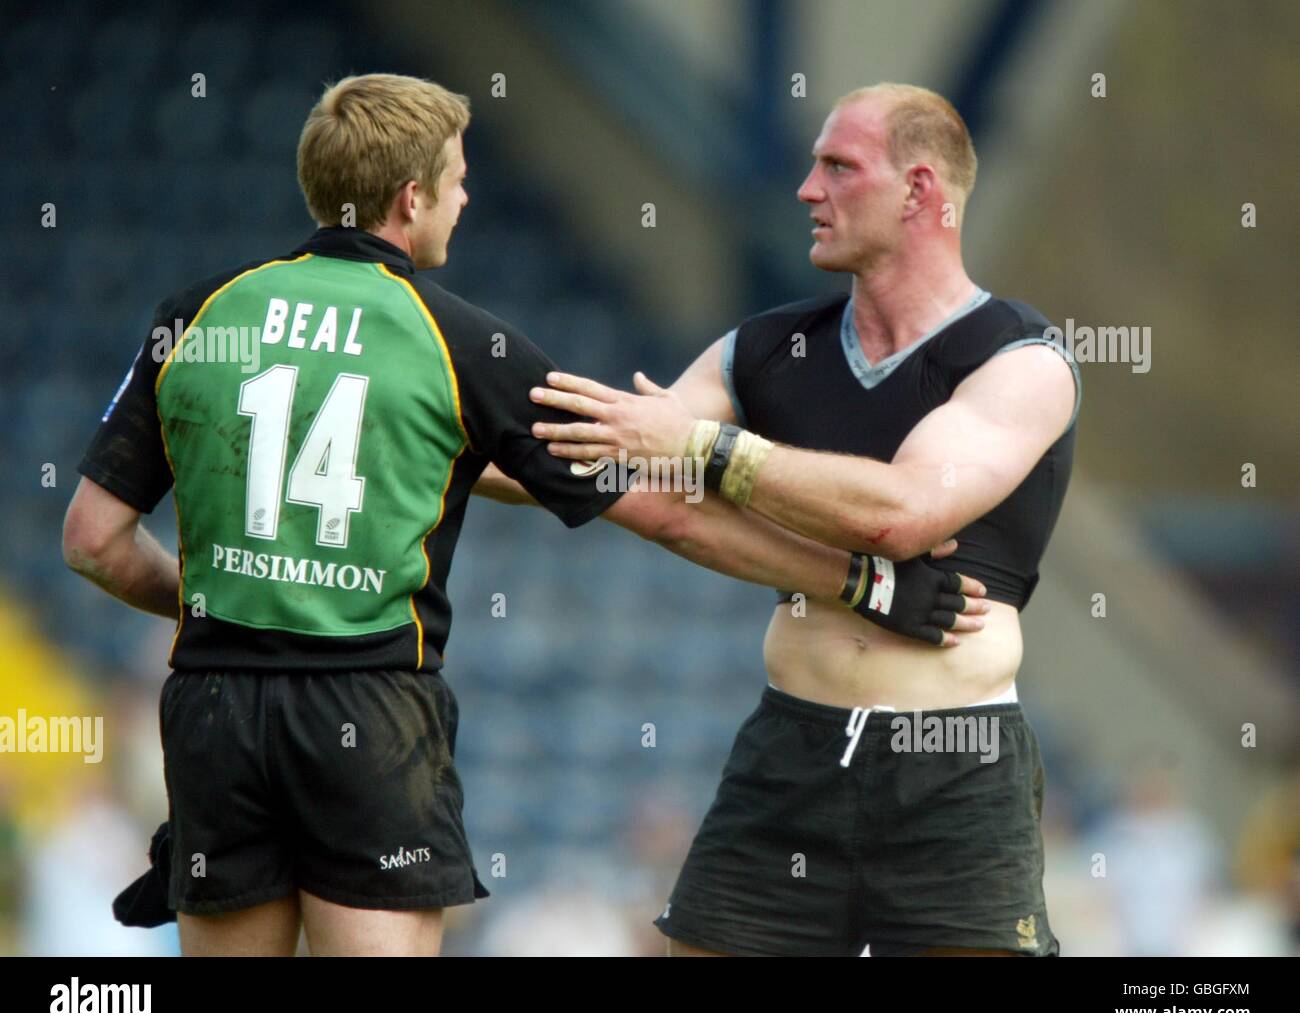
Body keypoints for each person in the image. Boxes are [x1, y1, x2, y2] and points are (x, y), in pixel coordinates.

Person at [62, 74, 985, 957]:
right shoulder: (462, 338)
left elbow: (95, 541)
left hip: (212, 712)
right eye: (459, 182)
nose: (466, 202)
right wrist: (859, 580)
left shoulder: (193, 316)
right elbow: (664, 512)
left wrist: (232, 602)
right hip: (369, 714)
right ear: (411, 196)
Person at [528, 83, 1081, 956]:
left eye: (837, 167)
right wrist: (438, 438)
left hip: (956, 764)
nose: (805, 190)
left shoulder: (1023, 358)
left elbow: (902, 514)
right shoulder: (767, 347)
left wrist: (709, 448)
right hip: (790, 748)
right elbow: (617, 461)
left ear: (920, 190)